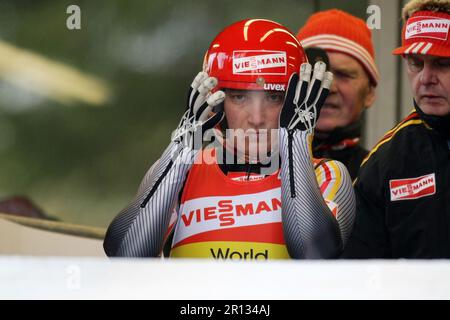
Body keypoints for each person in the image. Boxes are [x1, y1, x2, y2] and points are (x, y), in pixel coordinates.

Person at [104, 19, 355, 259]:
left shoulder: (327, 174)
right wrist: (180, 149)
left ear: (297, 99)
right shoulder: (186, 171)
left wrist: (296, 139)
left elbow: (314, 253)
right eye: (239, 97)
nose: (256, 118)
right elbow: (126, 254)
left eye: (274, 97)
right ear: (216, 102)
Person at [342, 0, 450, 258]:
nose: (426, 78)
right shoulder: (385, 164)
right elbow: (362, 277)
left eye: (443, 64)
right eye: (415, 62)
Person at [296, 9, 379, 180]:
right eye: (315, 72)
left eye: (344, 75)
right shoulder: (254, 164)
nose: (329, 87)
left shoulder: (382, 174)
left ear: (369, 92)